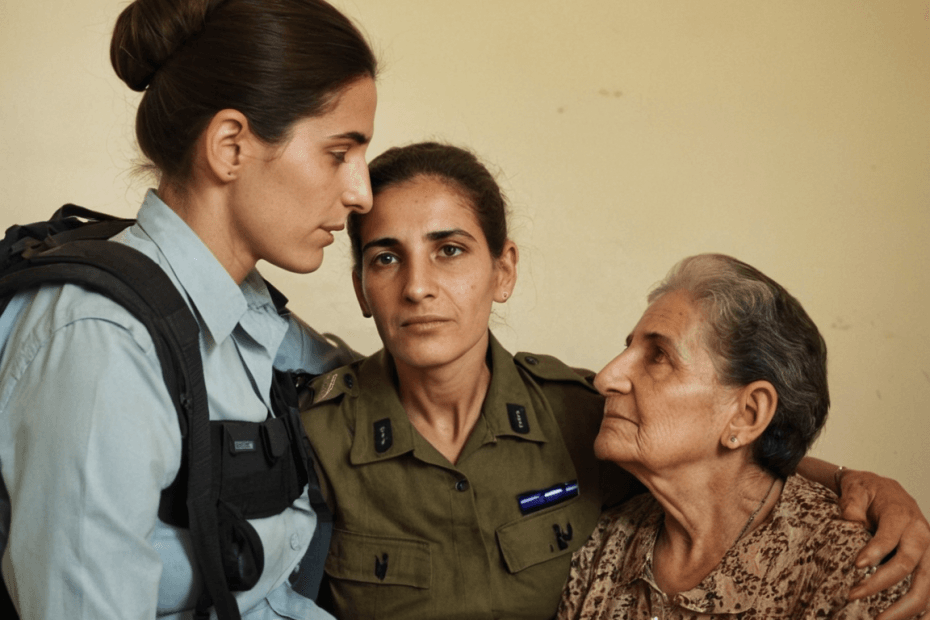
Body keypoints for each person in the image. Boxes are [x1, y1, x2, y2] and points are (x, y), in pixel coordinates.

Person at [300, 142, 930, 620]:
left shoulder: (582, 416)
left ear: (504, 271)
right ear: (360, 287)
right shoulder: (314, 434)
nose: (417, 286)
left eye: (450, 249)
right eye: (385, 257)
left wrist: (859, 485)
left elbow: (725, 456)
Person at [0, 0, 376, 618]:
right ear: (230, 147)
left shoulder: (242, 305)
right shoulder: (102, 343)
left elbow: (377, 386)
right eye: (339, 153)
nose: (361, 193)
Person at [557, 253, 911, 619]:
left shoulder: (852, 569)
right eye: (628, 347)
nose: (606, 378)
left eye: (658, 355)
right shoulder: (601, 548)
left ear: (747, 415)